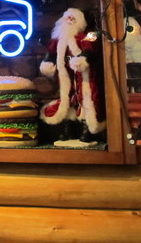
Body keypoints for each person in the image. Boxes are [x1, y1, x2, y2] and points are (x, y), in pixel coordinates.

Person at [39, 8, 106, 142]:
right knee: (67, 100)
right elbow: (51, 53)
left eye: (73, 18)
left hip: (83, 77)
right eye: (68, 18)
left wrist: (82, 59)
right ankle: (67, 129)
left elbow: (90, 50)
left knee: (86, 100)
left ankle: (86, 130)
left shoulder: (86, 37)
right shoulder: (58, 39)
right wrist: (48, 62)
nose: (69, 20)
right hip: (66, 77)